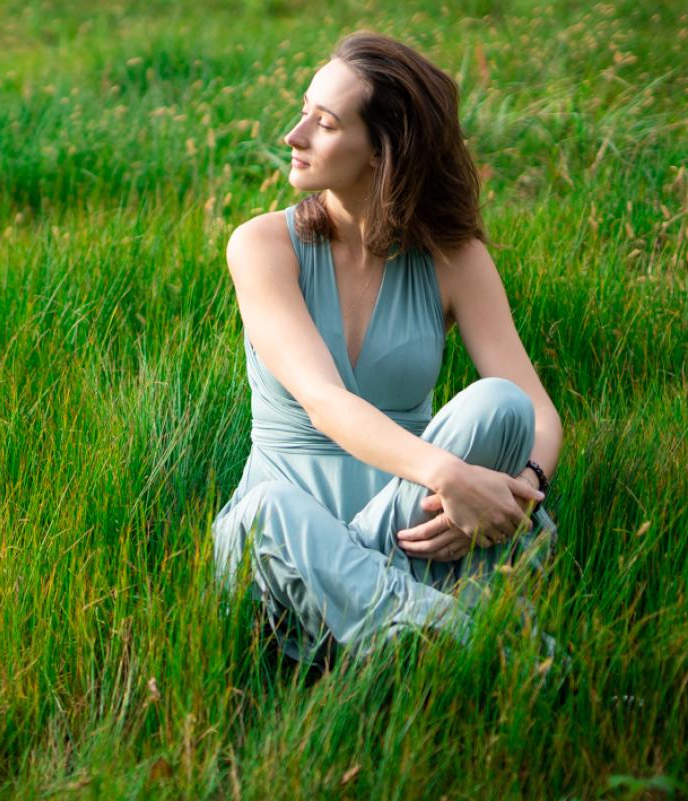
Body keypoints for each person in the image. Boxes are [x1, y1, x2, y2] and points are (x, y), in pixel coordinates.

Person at [210, 31, 563, 670]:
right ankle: (493, 651)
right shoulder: (262, 247)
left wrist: (515, 494)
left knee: (501, 405)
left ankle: (390, 628)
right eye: (303, 113)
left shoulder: (455, 259)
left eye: (324, 123)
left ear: (383, 148)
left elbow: (538, 413)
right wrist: (449, 475)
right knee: (269, 509)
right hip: (284, 546)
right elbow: (322, 401)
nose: (293, 135)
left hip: (408, 530)